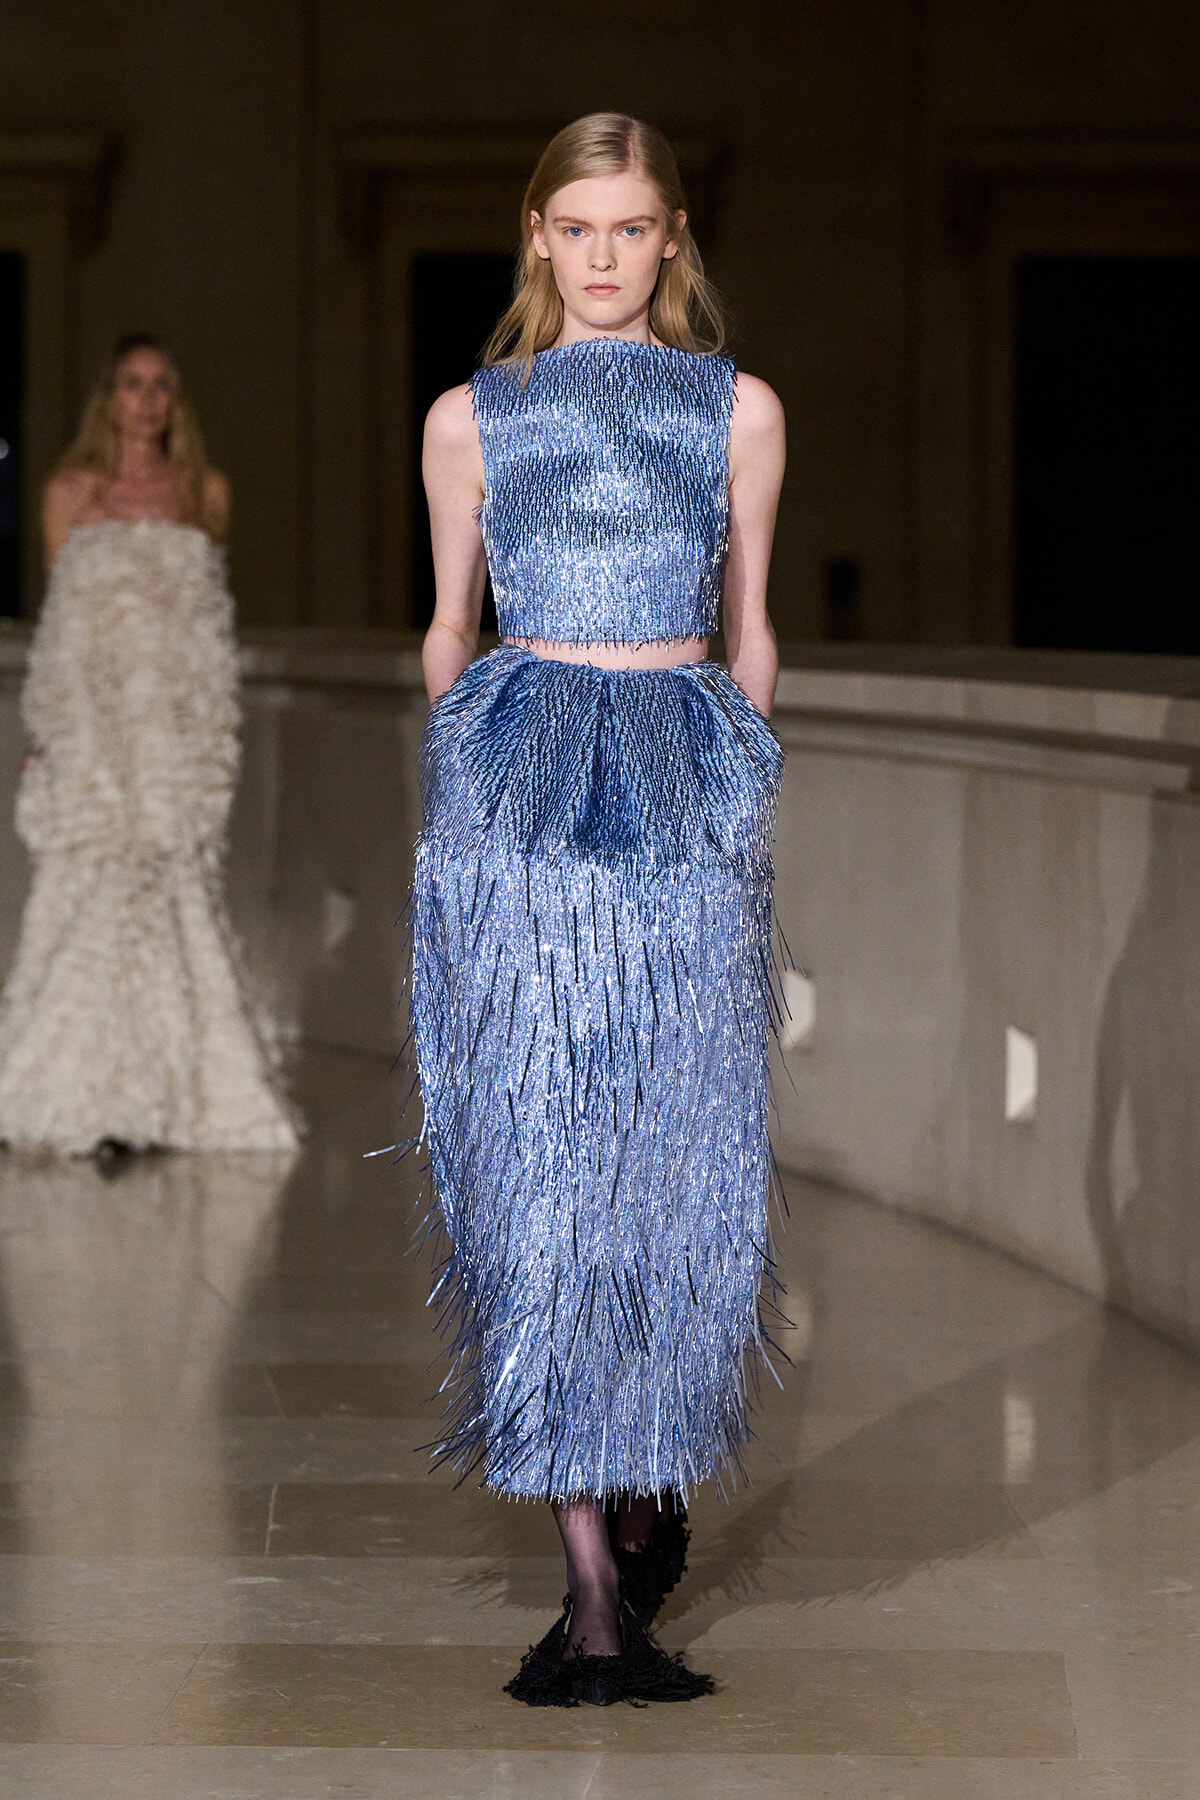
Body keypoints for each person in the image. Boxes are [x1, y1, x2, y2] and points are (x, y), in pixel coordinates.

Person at [413, 113, 785, 1706]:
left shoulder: (738, 411)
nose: (607, 256)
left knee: (675, 1166)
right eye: (580, 227)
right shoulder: (473, 418)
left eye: (634, 228)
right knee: (547, 1175)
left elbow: (753, 631)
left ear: (676, 237)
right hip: (525, 812)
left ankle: (641, 1481)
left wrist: (745, 827)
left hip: (683, 792)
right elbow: (449, 634)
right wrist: (461, 832)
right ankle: (592, 1602)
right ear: (539, 236)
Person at [0, 334, 299, 1158]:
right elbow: (62, 627)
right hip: (98, 733)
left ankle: (172, 1098)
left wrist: (208, 733)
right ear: (110, 395)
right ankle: (75, 1092)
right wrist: (53, 733)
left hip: (177, 730)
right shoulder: (71, 492)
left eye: (161, 384)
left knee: (172, 882)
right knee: (91, 882)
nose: (147, 399)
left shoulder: (205, 492)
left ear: (176, 398)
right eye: (132, 384)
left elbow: (205, 621)